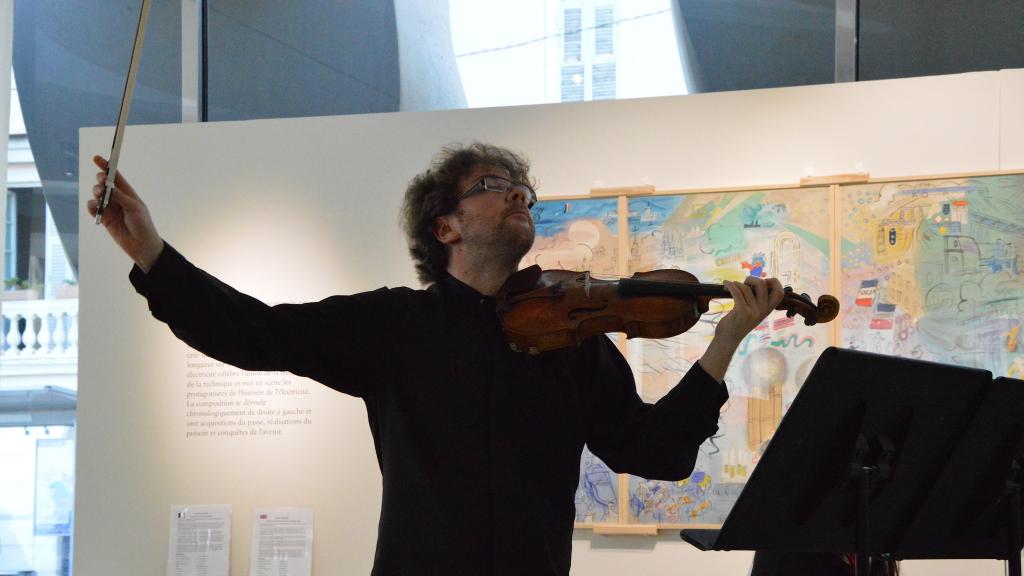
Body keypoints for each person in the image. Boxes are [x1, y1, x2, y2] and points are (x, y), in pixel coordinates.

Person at [87, 143, 786, 576]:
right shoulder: (393, 325)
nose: (518, 194)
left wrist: (726, 342)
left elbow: (656, 451)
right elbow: (253, 332)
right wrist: (151, 252)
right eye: (493, 185)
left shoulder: (572, 341)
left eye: (524, 190)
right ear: (444, 226)